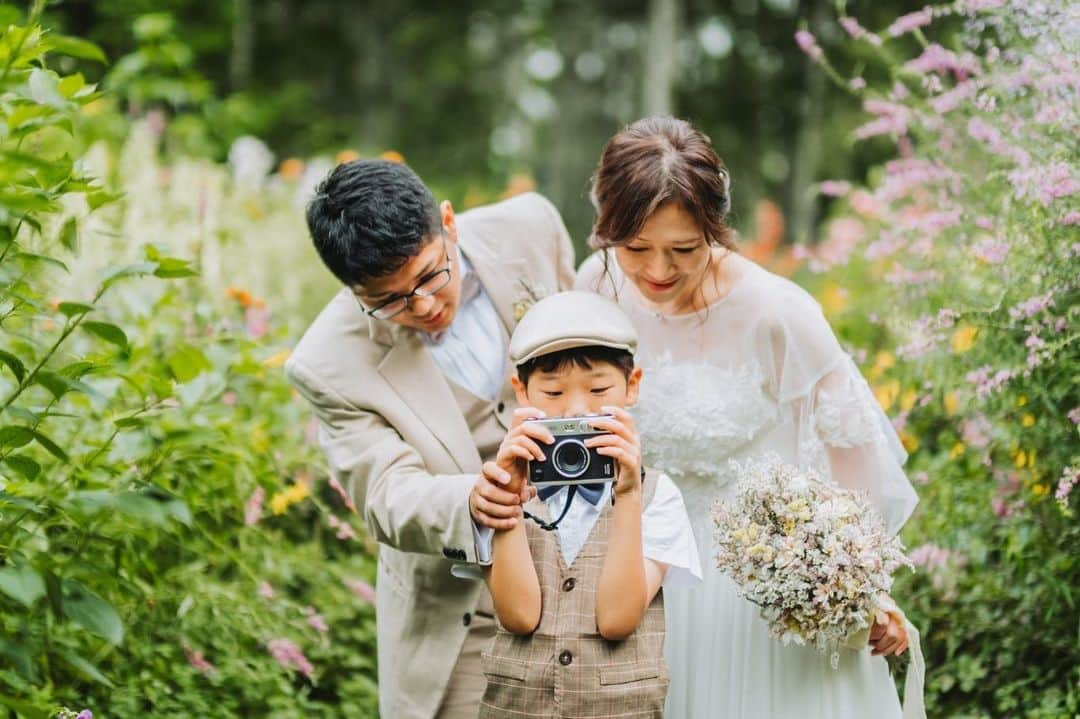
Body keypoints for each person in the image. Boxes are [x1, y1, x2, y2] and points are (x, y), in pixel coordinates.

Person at [575, 116, 921, 718]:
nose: (657, 271)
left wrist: (859, 587)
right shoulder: (593, 291)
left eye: (683, 249)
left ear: (716, 228)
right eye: (635, 249)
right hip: (639, 572)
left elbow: (853, 454)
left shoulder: (778, 312)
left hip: (756, 584)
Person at [285, 158, 575, 718]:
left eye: (429, 275)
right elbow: (384, 494)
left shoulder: (531, 229)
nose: (422, 306)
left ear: (448, 222)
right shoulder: (325, 362)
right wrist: (470, 500)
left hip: (588, 584)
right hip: (463, 615)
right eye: (388, 300)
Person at [477, 290, 701, 718]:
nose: (576, 409)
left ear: (632, 385)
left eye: (598, 389)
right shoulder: (498, 487)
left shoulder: (657, 494)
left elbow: (616, 620)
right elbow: (519, 616)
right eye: (553, 392)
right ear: (521, 391)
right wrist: (508, 494)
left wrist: (629, 493)